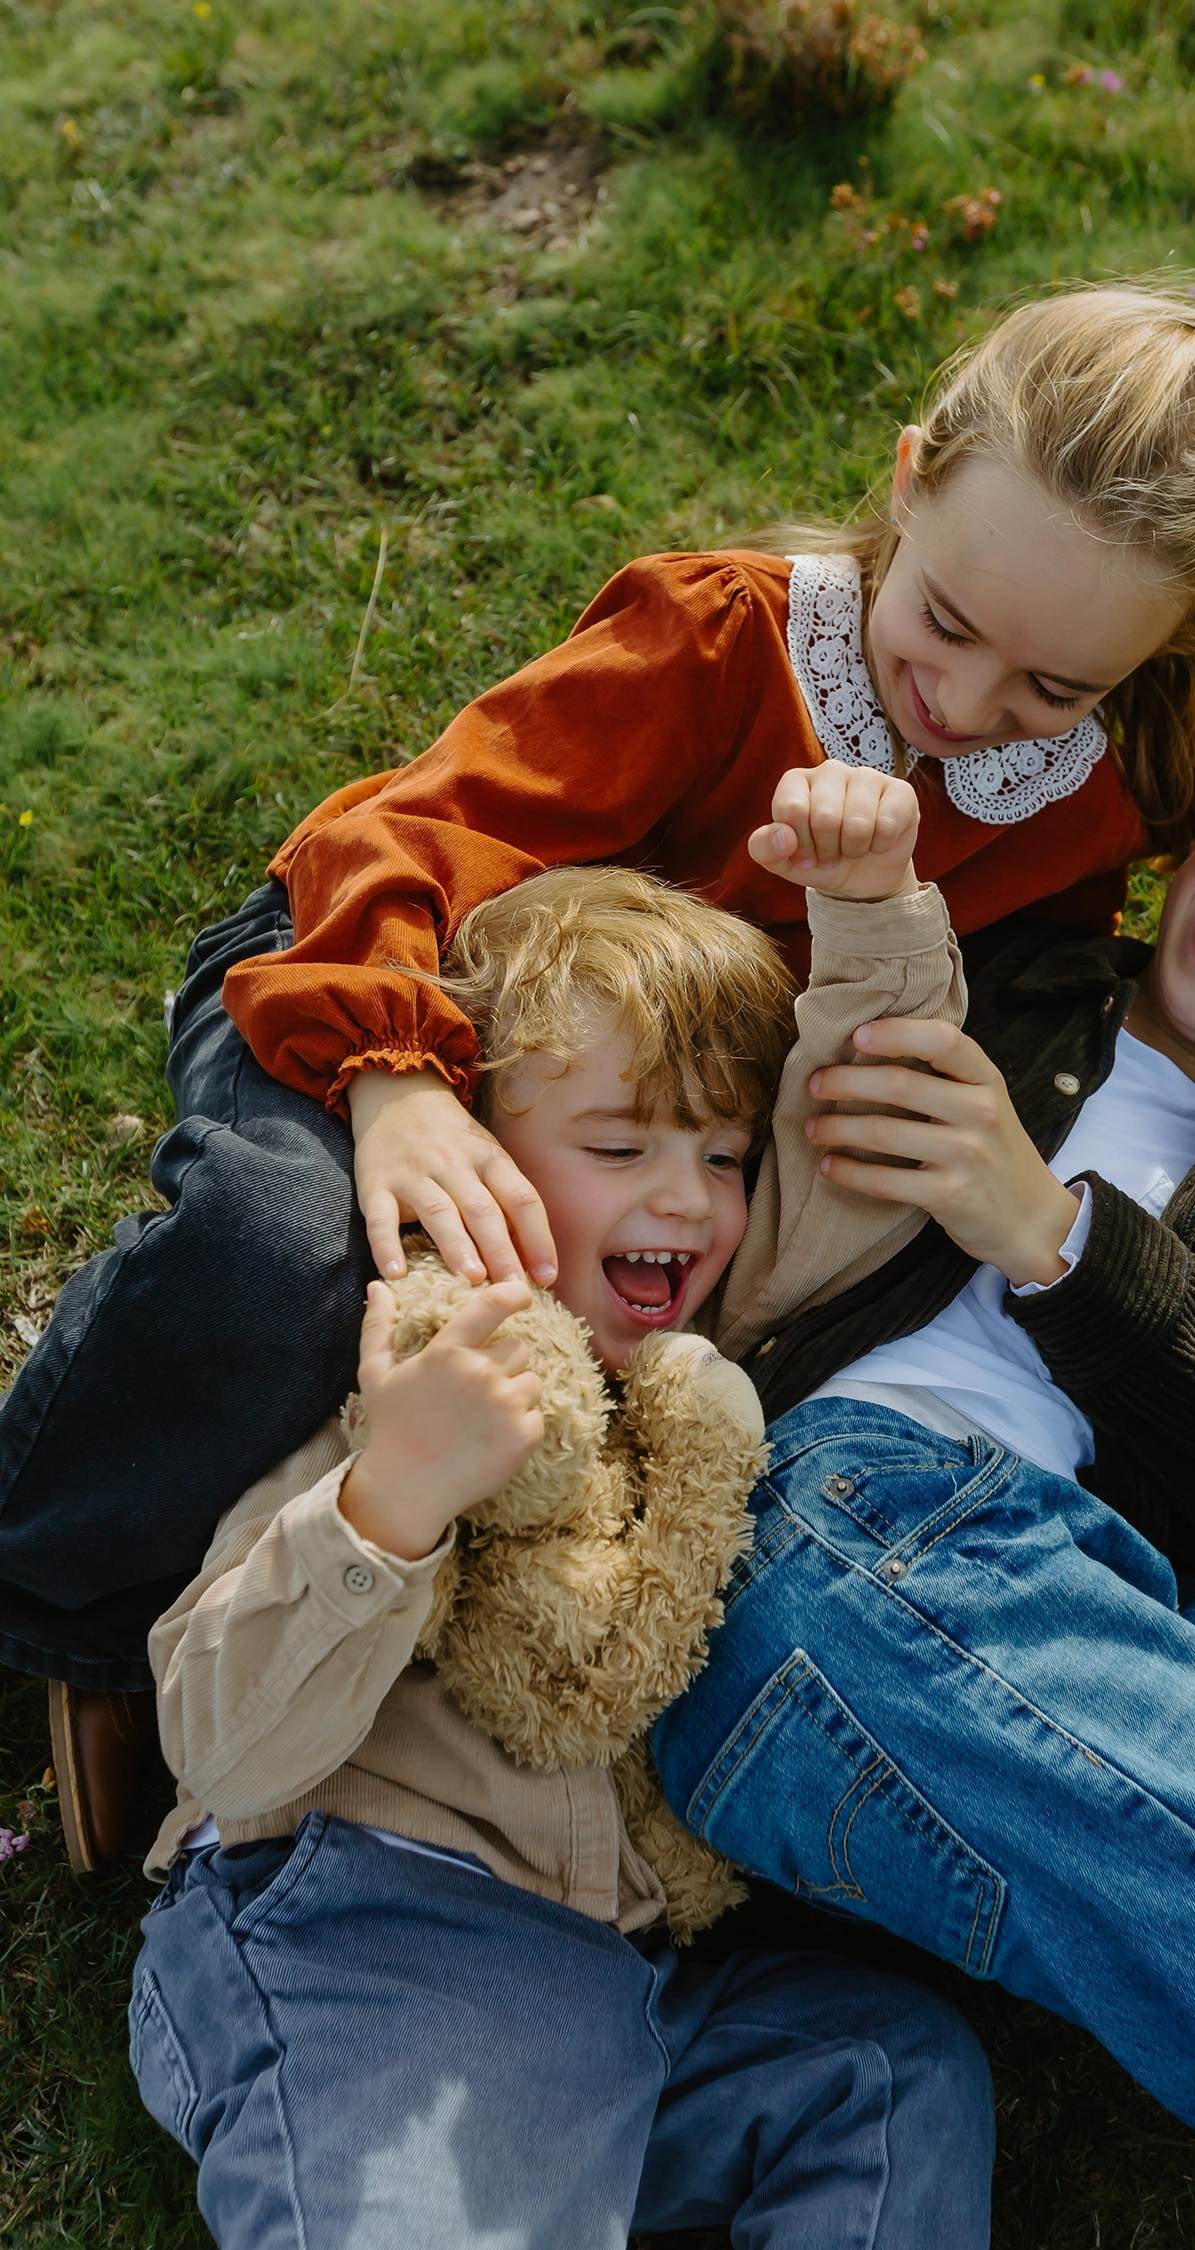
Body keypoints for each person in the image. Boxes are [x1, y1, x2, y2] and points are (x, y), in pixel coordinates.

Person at [3, 284, 1195, 1710]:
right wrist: (398, 1084)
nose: (967, 705)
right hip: (381, 973)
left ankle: (268, 1633)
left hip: (636, 1132)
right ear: (911, 478)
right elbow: (413, 838)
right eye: (947, 621)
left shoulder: (1079, 802)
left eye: (1053, 685)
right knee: (286, 1253)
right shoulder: (718, 640)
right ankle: (42, 1587)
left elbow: (1057, 994)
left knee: (552, 1386)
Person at [651, 641, 1195, 2243]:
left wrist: (1058, 1237)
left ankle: (1119, 1868)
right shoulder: (1011, 963)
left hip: (1102, 1633)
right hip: (831, 1549)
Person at [128, 810, 996, 2250]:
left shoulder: (691, 1362)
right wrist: (393, 1501)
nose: (688, 1197)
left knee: (890, 2069)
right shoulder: (407, 1363)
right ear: (480, 1160)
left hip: (627, 1979)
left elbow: (848, 1153)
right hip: (374, 1927)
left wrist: (870, 911)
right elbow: (221, 1743)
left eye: (724, 1155)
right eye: (619, 1143)